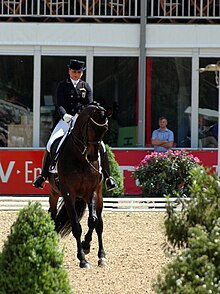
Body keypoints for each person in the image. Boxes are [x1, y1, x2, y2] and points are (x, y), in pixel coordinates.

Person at [33, 59, 118, 191]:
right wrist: (64, 115)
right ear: (69, 71)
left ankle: (108, 177)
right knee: (51, 142)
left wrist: (85, 116)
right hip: (66, 119)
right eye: (74, 72)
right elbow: (59, 104)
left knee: (101, 145)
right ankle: (43, 175)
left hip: (82, 120)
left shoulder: (86, 86)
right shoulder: (62, 85)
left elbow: (89, 104)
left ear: (82, 73)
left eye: (79, 72)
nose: (76, 74)